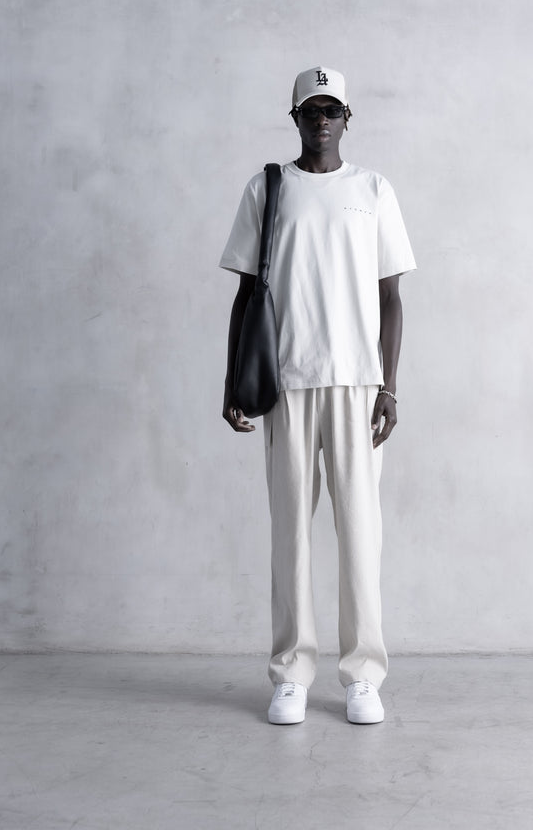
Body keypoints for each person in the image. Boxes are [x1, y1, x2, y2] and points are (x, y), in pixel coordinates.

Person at [220, 66, 416, 725]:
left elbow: (392, 297)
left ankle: (363, 676)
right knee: (290, 537)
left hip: (358, 384)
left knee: (361, 536)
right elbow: (245, 294)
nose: (322, 119)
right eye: (311, 109)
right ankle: (291, 675)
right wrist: (233, 382)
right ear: (295, 117)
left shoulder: (373, 189)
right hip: (286, 384)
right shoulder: (267, 188)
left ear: (347, 117)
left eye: (332, 109)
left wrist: (389, 386)